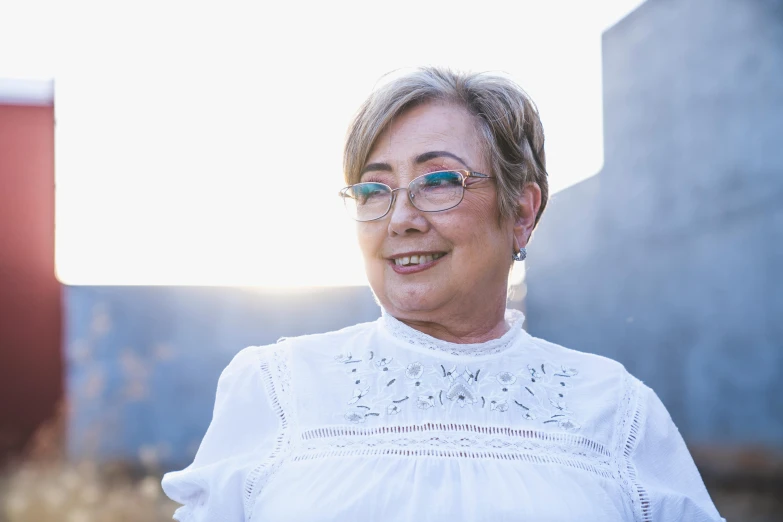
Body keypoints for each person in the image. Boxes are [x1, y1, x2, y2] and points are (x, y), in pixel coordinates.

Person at [162, 67, 725, 521]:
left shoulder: (617, 410)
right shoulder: (274, 388)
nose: (400, 218)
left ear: (522, 212)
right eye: (373, 190)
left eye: (437, 182)